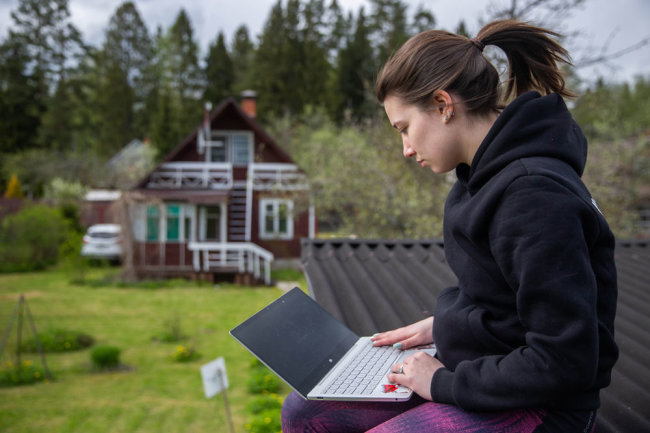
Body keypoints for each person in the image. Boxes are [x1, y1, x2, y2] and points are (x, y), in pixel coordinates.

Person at [281, 19, 618, 432]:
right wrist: (445, 324)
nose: (405, 149)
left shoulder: (533, 196)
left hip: (545, 404)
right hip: (484, 370)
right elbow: (500, 294)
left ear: (443, 105)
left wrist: (440, 382)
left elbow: (565, 360)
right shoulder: (477, 180)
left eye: (404, 129)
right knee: (304, 411)